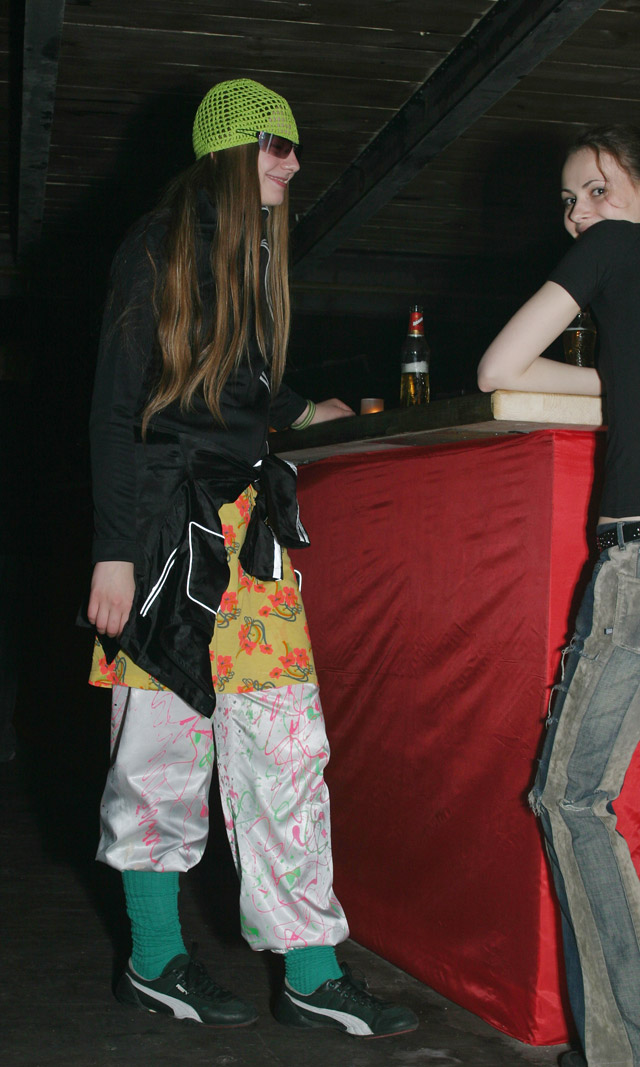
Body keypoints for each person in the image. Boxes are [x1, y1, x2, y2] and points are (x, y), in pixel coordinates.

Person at [86, 77, 418, 1040]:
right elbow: (117, 406)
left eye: (295, 146)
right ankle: (154, 961)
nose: (295, 163)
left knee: (288, 750)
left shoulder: (255, 256)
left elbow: (233, 391)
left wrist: (307, 408)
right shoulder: (156, 247)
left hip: (246, 541)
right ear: (229, 151)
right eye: (277, 144)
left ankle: (312, 974)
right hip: (162, 541)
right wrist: (113, 554)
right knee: (157, 761)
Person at [478, 126, 640, 1067]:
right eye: (571, 201)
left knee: (572, 798)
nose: (582, 214)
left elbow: (499, 369)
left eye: (598, 188)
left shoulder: (615, 247)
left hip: (637, 557)